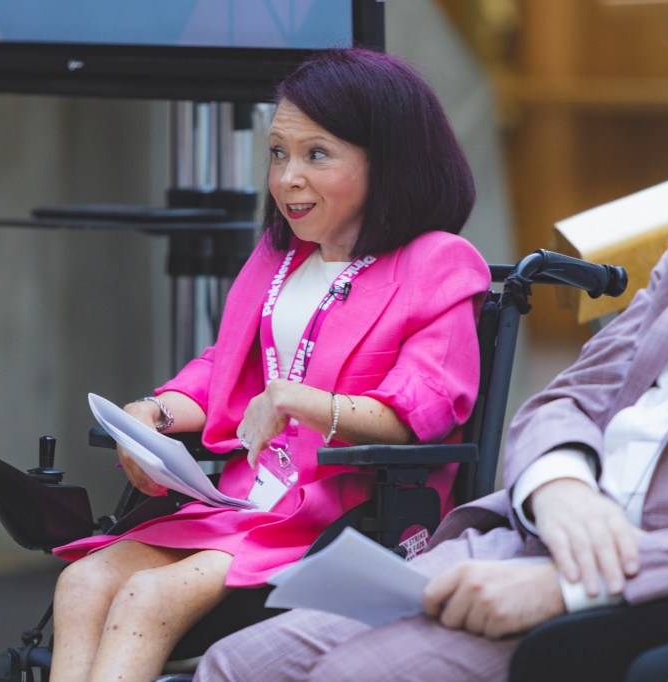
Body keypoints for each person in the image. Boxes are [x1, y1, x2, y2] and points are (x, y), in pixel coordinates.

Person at [193, 5, 668, 682]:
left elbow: (423, 405)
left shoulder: (433, 263)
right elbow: (570, 393)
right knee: (236, 663)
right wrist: (560, 486)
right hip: (539, 527)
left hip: (646, 571)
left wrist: (577, 585)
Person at [47, 48, 491, 682]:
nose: (287, 178)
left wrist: (298, 401)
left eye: (317, 154)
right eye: (278, 153)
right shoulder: (281, 256)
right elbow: (227, 371)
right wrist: (152, 415)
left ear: (389, 162)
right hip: (242, 502)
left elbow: (423, 409)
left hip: (340, 516)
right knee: (84, 581)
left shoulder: (437, 262)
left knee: (149, 595)